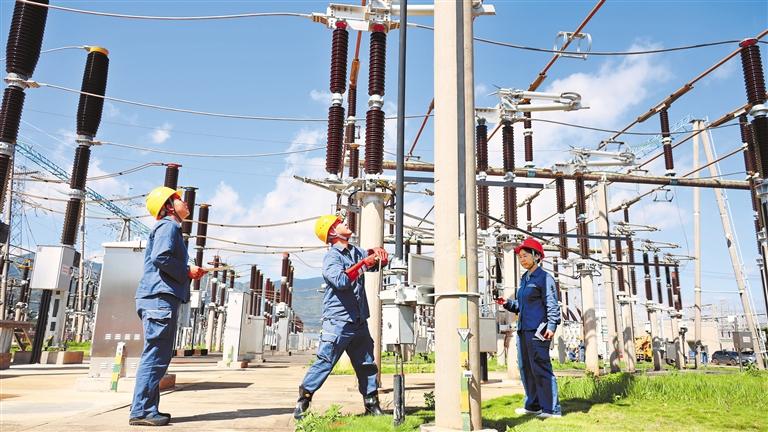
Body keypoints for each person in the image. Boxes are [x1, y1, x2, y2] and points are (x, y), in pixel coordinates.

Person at [293, 215, 388, 419]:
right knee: (326, 361)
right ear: (332, 232)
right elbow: (340, 280)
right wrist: (364, 263)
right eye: (339, 222)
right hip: (338, 321)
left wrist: (379, 255)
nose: (345, 222)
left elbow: (372, 263)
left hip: (359, 320)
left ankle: (372, 405)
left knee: (366, 363)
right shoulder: (332, 257)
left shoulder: (356, 251)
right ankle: (304, 401)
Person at [129, 187, 207, 426]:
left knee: (157, 355)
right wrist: (187, 270)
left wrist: (188, 271)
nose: (186, 203)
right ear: (168, 206)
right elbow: (161, 257)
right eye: (179, 199)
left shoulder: (169, 228)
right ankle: (142, 411)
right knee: (156, 356)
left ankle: (147, 409)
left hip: (159, 299)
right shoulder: (168, 226)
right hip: (159, 299)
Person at [496, 237, 562, 419]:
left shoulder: (545, 278)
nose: (522, 259)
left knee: (541, 367)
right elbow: (522, 306)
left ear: (536, 256)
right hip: (523, 331)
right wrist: (507, 303)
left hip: (538, 331)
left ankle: (551, 409)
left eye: (525, 256)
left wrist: (552, 325)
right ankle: (533, 405)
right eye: (520, 257)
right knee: (526, 368)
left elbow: (552, 304)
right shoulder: (525, 279)